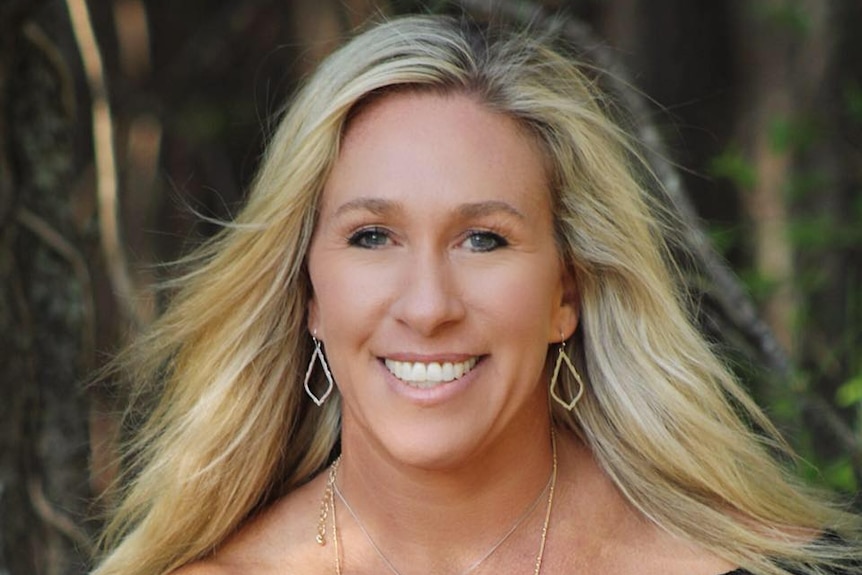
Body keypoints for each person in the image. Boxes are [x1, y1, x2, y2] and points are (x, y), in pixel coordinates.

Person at [91, 14, 861, 575]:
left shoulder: (759, 565)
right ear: (309, 294)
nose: (428, 306)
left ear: (568, 289)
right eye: (372, 236)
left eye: (483, 239)